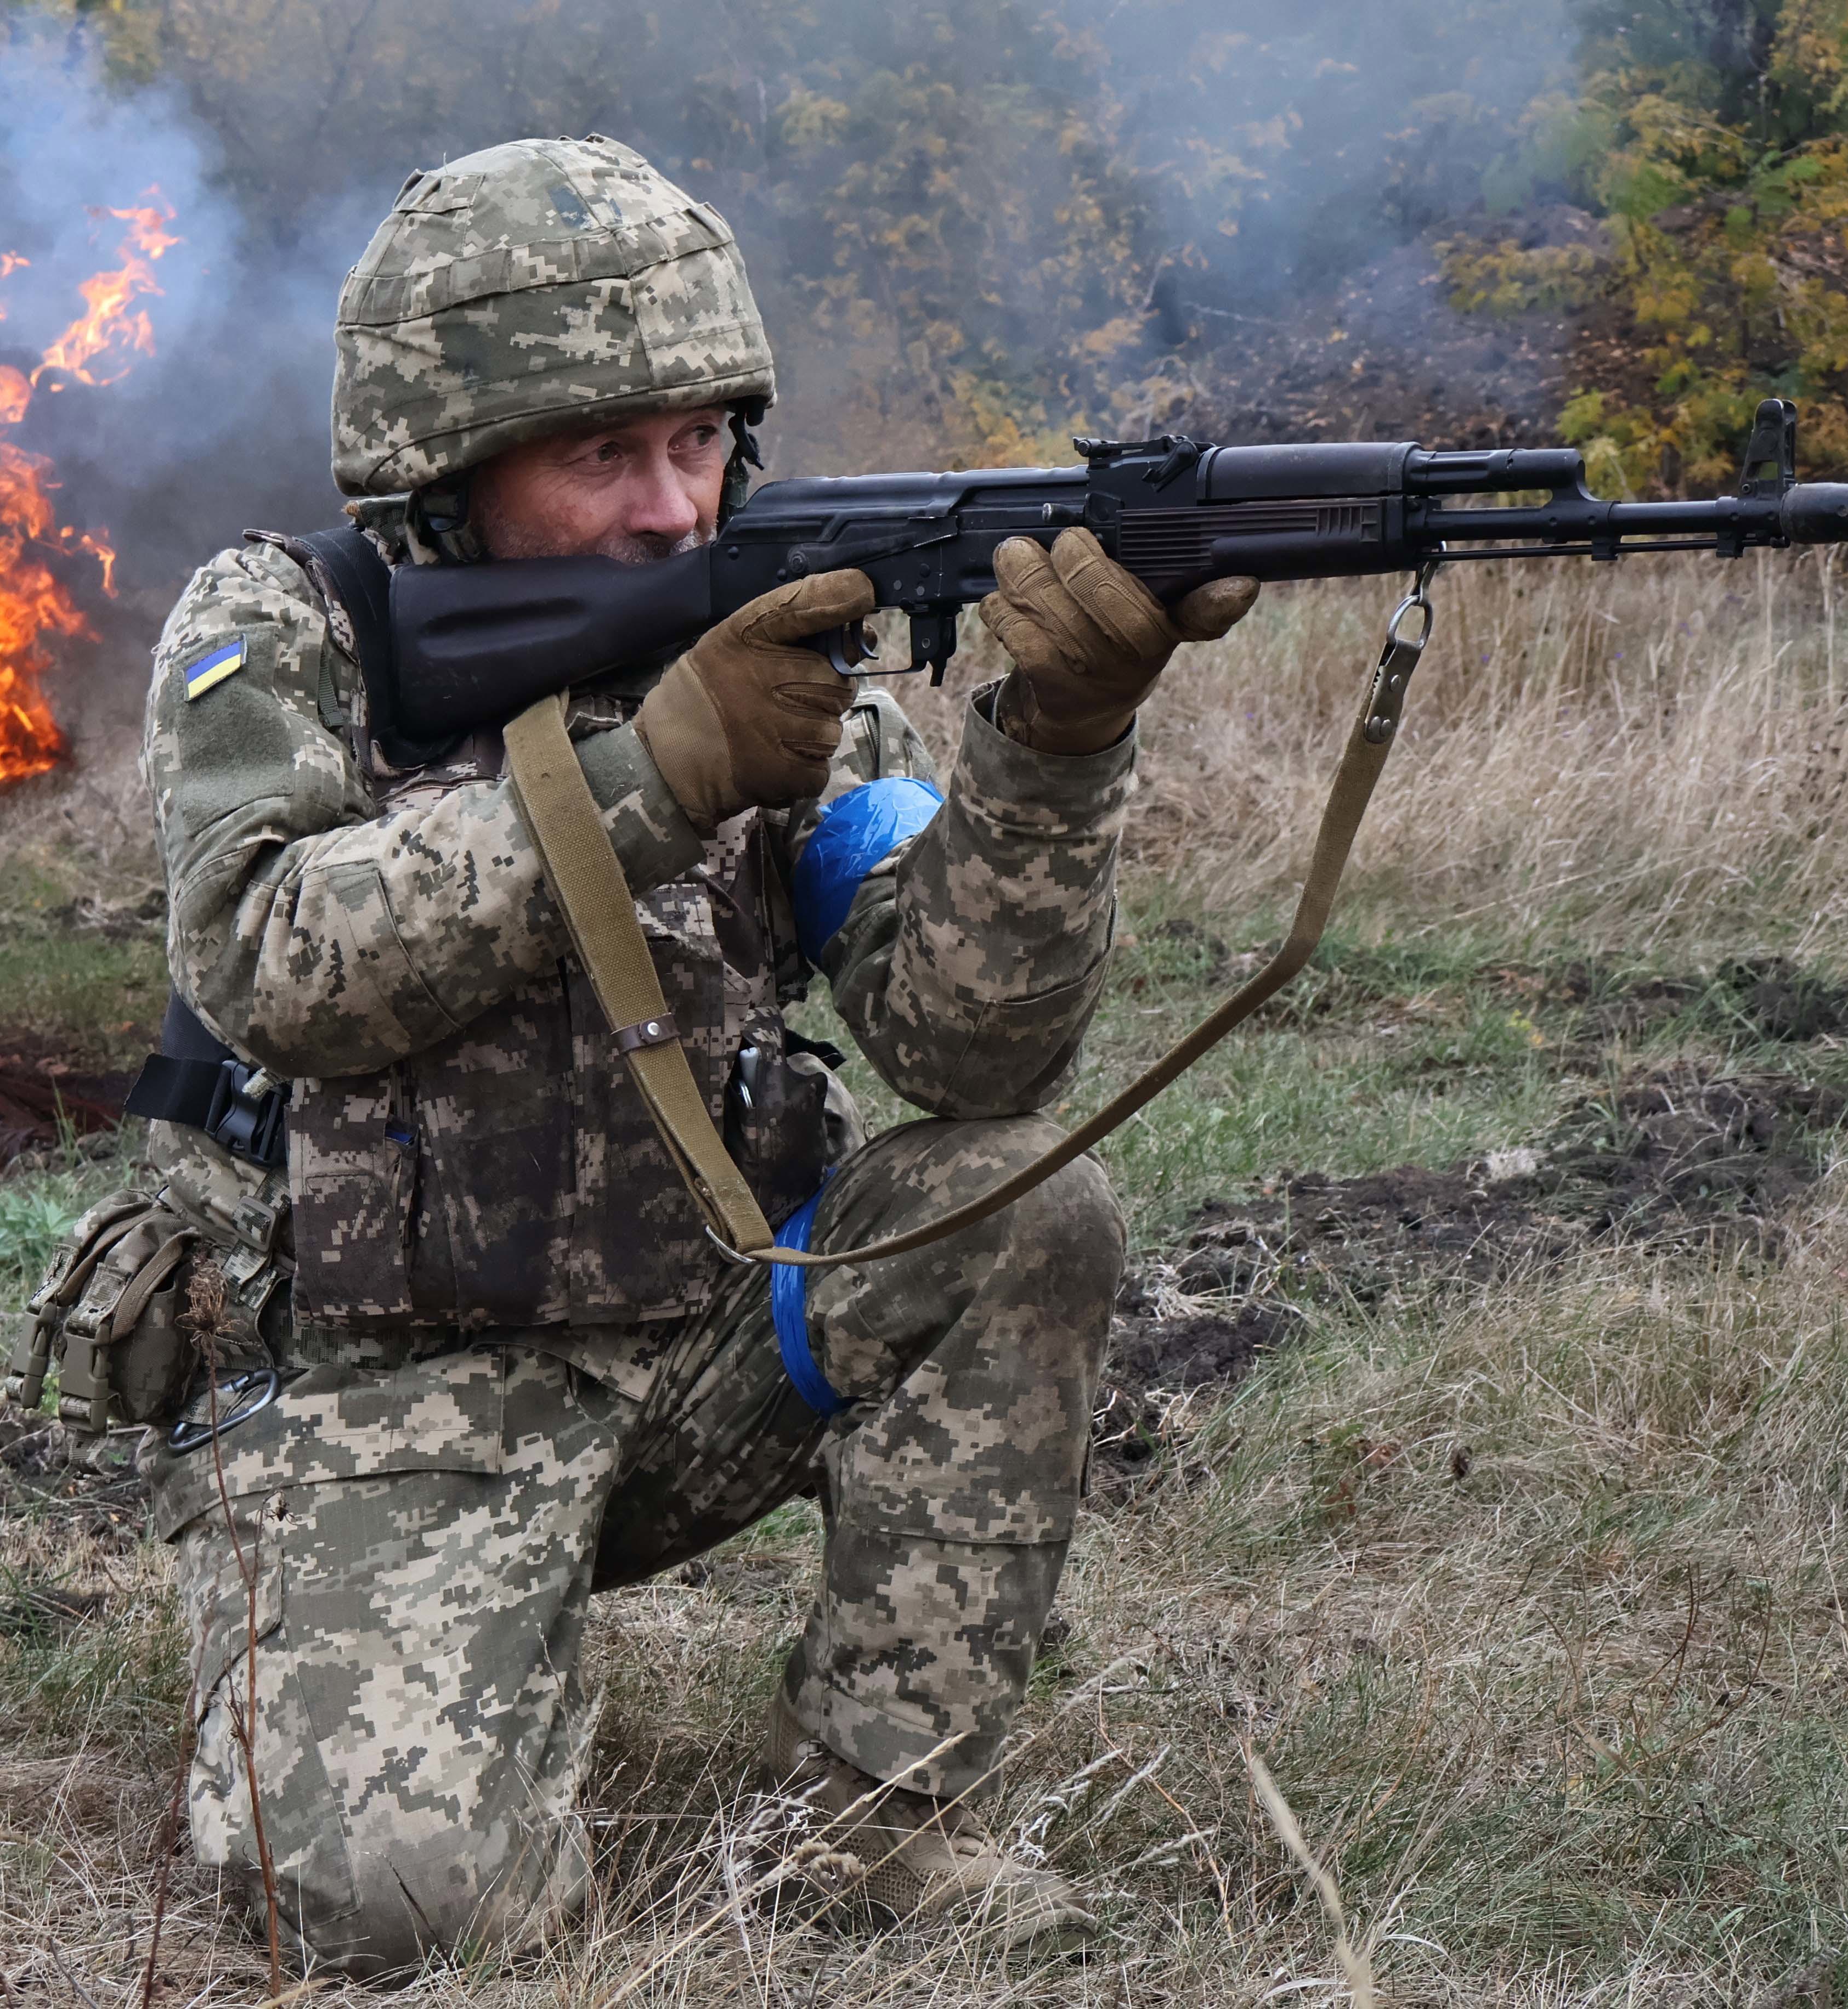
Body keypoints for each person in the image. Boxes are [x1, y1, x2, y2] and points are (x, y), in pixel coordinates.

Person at [89, 133, 1255, 1975]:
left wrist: (1054, 744)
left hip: (696, 1350)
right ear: (443, 464)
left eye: (701, 441)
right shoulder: (283, 630)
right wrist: (653, 779)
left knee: (1023, 1204)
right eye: (602, 454)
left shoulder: (784, 659)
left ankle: (876, 1834)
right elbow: (269, 963)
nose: (666, 508)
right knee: (405, 1920)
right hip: (373, 1396)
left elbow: (971, 1052)